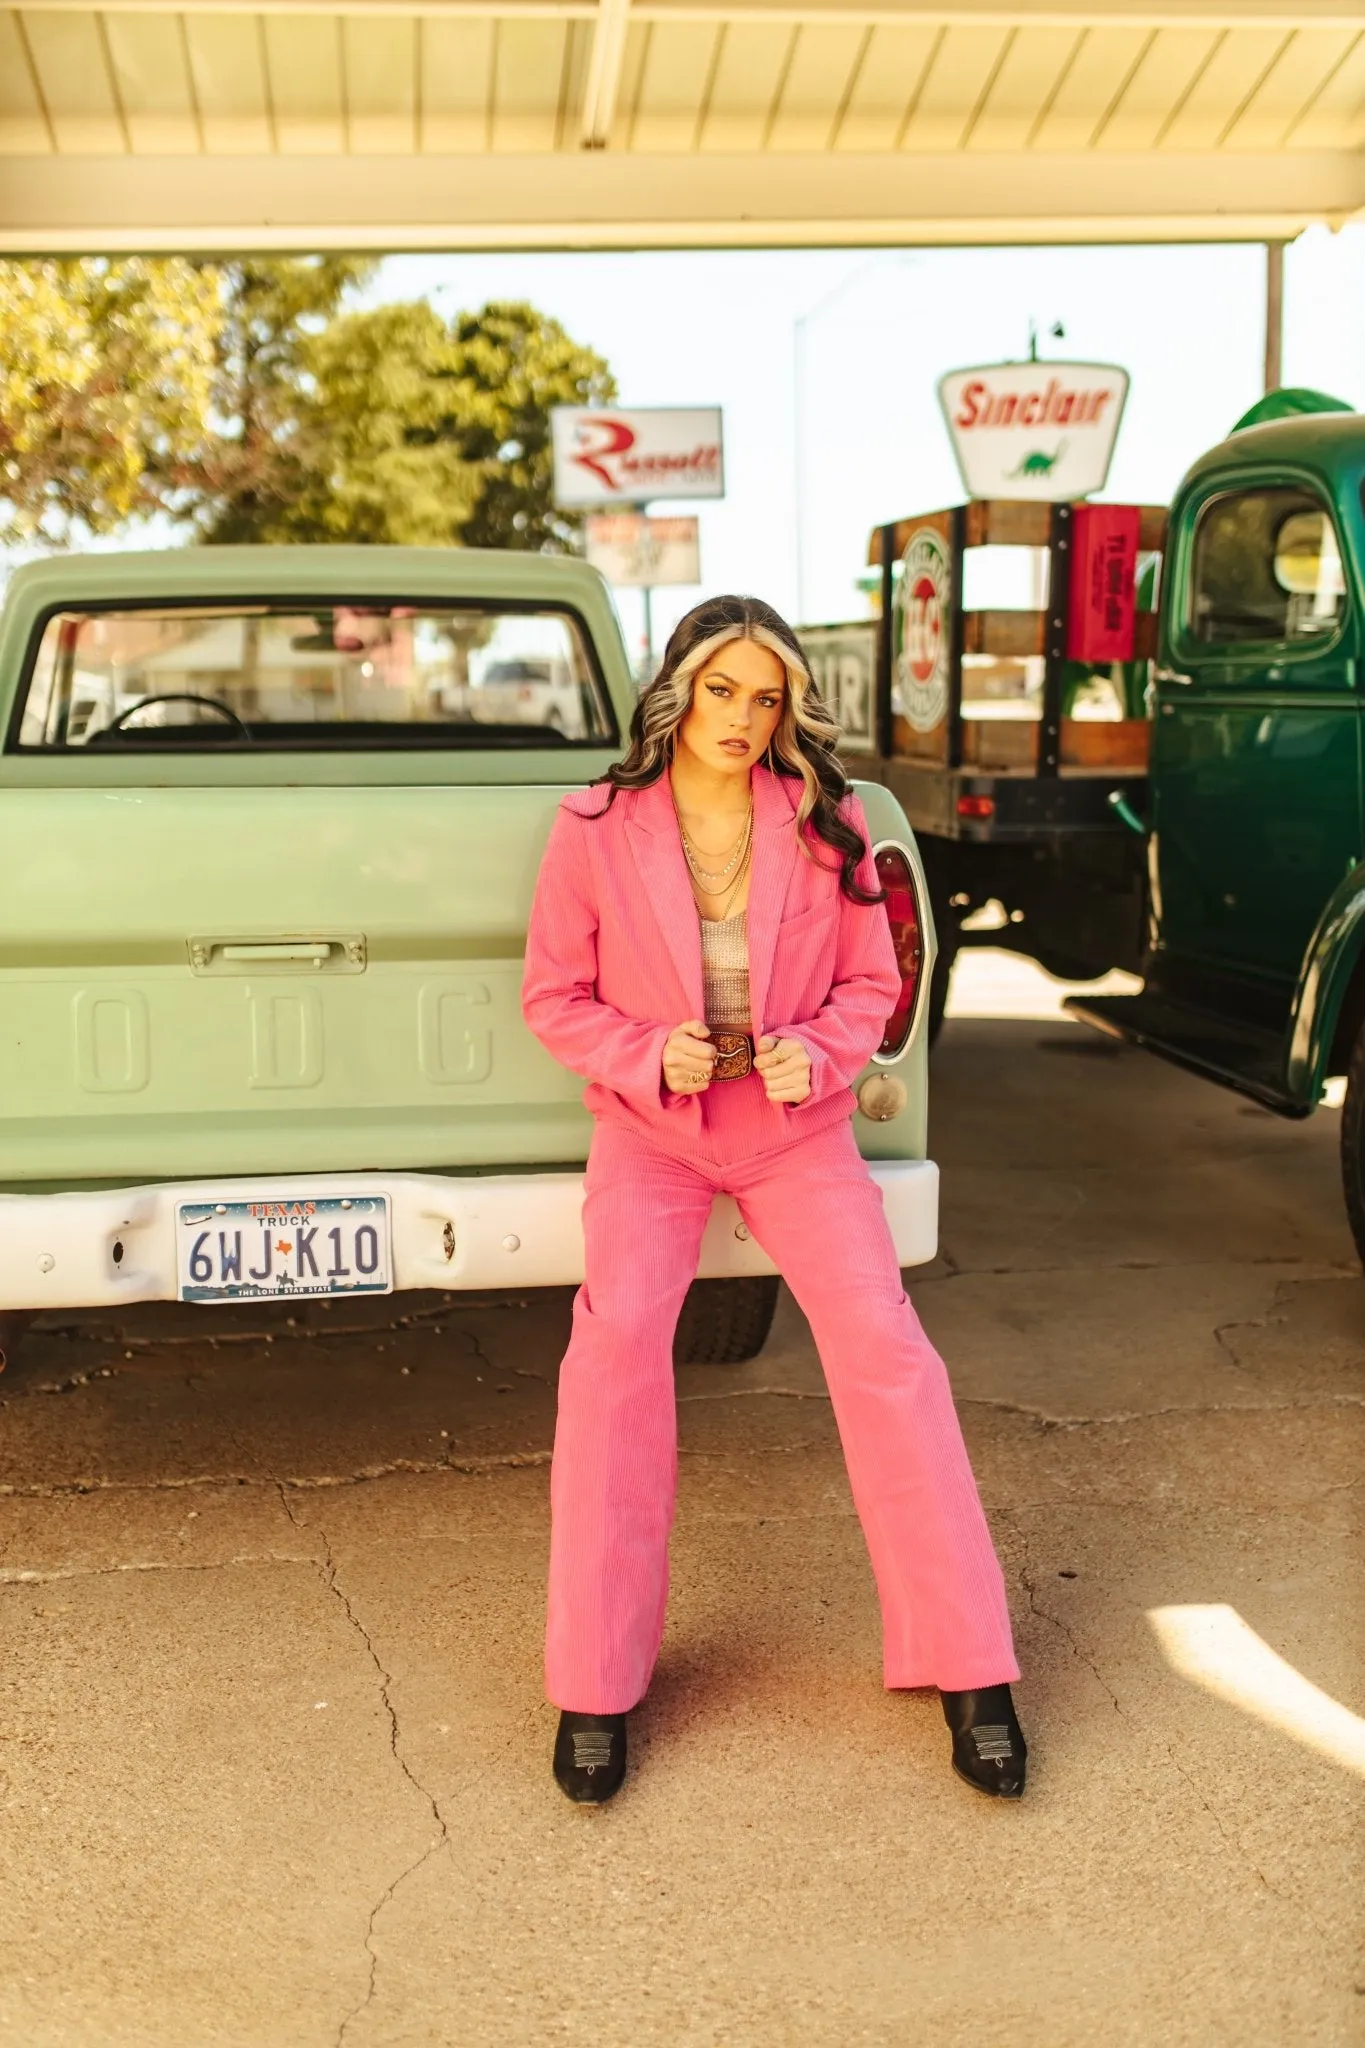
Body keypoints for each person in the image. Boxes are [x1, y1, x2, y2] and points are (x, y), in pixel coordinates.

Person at [521, 594, 1025, 1805]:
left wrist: (824, 1050)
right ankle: (594, 1683)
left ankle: (974, 1669)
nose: (742, 718)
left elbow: (874, 979)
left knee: (887, 1348)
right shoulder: (596, 825)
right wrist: (647, 1052)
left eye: (765, 696)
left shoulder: (827, 819)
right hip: (652, 1134)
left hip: (795, 1131)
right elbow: (554, 995)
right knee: (616, 1351)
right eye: (720, 691)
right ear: (676, 692)